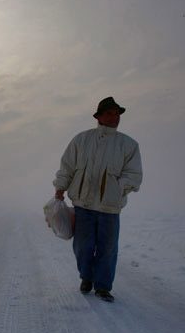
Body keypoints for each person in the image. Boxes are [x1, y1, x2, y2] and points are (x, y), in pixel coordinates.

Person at [53, 96, 143, 302]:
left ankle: (103, 287)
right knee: (83, 247)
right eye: (110, 113)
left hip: (110, 208)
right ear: (99, 116)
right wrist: (60, 187)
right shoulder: (81, 139)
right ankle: (86, 277)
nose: (115, 117)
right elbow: (67, 166)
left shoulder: (128, 145)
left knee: (108, 249)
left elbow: (134, 175)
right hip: (83, 204)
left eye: (117, 114)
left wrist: (117, 188)